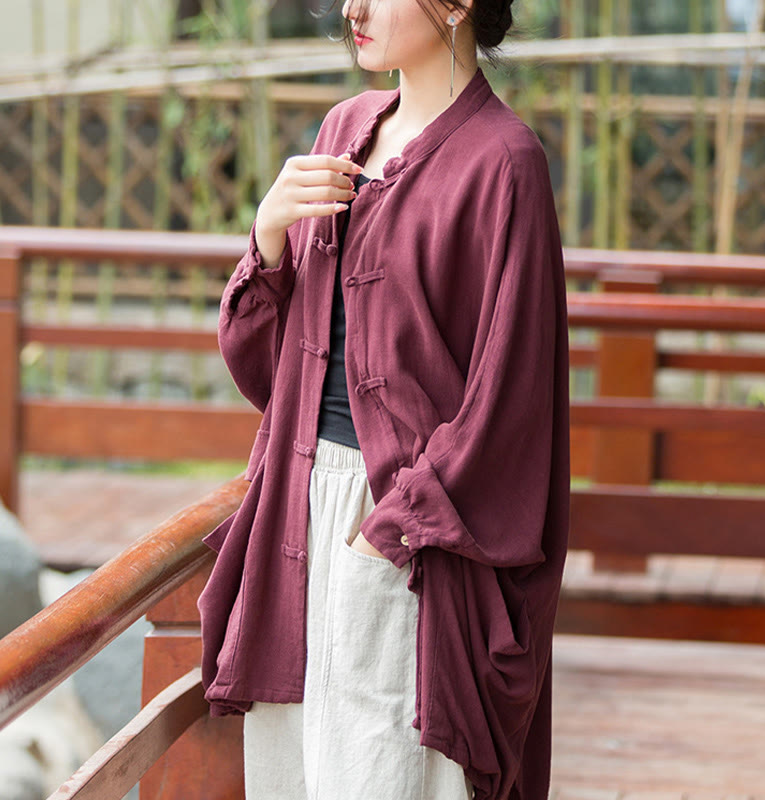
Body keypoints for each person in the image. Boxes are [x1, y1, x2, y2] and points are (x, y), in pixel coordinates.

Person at [196, 1, 571, 798]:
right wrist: (267, 235)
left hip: (411, 537)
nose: (350, 8)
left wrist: (389, 533)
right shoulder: (344, 129)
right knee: (293, 775)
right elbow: (274, 376)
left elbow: (511, 399)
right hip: (295, 516)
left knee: (382, 776)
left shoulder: (505, 163)